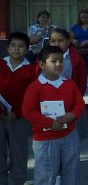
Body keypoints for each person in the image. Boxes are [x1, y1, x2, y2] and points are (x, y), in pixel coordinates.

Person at [22, 45, 85, 185]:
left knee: (71, 171)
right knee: (46, 175)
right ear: (42, 64)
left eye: (61, 61)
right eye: (53, 61)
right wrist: (50, 123)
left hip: (69, 135)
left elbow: (79, 104)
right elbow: (28, 111)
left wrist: (72, 115)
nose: (58, 64)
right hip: (45, 139)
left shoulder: (69, 84)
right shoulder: (35, 87)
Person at [0, 32, 37, 185]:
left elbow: (32, 97)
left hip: (20, 118)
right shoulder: (0, 64)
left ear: (27, 49)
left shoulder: (32, 69)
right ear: (7, 48)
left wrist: (18, 113)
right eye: (13, 46)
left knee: (19, 153)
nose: (16, 49)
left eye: (21, 46)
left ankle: (17, 181)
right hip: (0, 117)